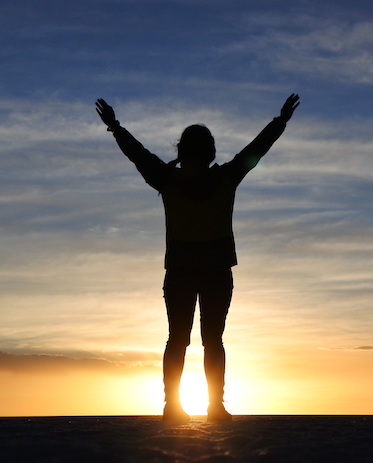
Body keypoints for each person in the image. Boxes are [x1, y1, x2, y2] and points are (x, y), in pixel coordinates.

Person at [96, 94, 300, 421]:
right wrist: (280, 122)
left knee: (177, 338)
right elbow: (255, 151)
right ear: (210, 152)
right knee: (213, 341)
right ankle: (215, 406)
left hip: (179, 269)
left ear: (181, 150)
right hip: (217, 269)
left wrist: (116, 127)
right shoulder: (226, 177)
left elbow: (139, 156)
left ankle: (172, 406)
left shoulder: (167, 179)